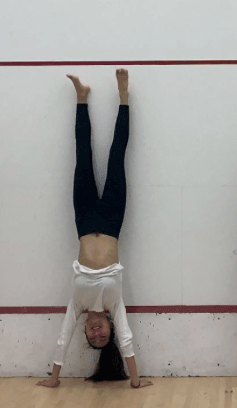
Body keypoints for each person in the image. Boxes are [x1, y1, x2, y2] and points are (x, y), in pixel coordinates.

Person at [36, 69, 152, 390]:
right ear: (110, 329)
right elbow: (127, 339)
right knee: (117, 157)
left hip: (85, 220)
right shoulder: (115, 304)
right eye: (103, 336)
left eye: (92, 336)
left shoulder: (77, 303)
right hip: (112, 221)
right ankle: (124, 97)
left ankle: (81, 97)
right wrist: (135, 380)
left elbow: (62, 339)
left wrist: (54, 379)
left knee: (82, 156)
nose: (96, 333)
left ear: (86, 330)